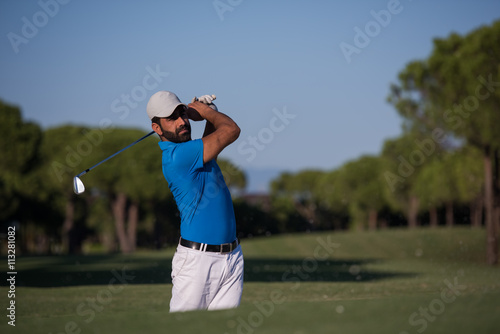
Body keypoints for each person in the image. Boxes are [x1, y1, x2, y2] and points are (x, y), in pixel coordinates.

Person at [146, 90, 243, 312]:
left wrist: (207, 113)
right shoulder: (177, 156)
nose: (182, 122)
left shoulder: (195, 153)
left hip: (232, 257)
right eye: (172, 118)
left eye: (183, 114)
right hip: (198, 262)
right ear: (157, 128)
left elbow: (213, 140)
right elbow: (231, 130)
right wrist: (206, 111)